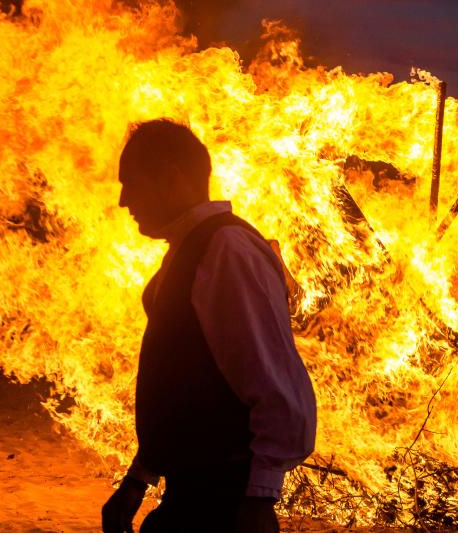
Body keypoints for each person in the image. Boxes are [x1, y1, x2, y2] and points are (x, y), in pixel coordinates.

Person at [101, 120, 317, 533]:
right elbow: (182, 390)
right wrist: (138, 479)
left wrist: (257, 501)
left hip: (222, 505)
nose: (124, 200)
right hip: (189, 494)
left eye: (131, 183)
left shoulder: (226, 252)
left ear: (170, 178)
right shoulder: (189, 250)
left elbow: (279, 390)